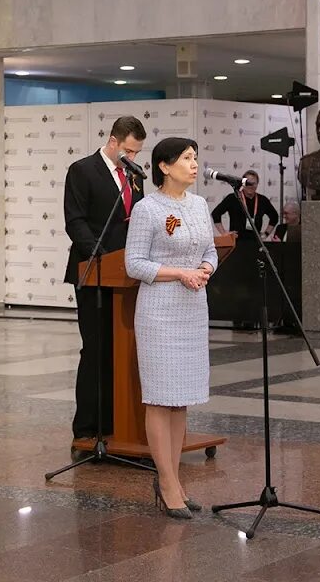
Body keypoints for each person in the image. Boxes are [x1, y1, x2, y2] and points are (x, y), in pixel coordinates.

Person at [125, 137, 217, 519]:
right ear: (164, 166)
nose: (194, 165)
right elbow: (134, 264)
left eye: (196, 158)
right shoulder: (148, 209)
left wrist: (207, 269)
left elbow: (210, 250)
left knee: (180, 399)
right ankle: (165, 483)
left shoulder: (199, 205)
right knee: (161, 397)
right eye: (186, 158)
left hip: (193, 309)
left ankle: (174, 479)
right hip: (160, 312)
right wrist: (180, 272)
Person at [63, 115, 147, 444]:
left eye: (137, 152)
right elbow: (76, 220)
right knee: (96, 349)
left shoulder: (134, 177)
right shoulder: (82, 170)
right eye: (128, 151)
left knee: (122, 351)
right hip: (94, 273)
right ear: (113, 141)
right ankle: (87, 427)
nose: (133, 158)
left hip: (127, 276)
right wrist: (99, 256)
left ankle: (118, 421)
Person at [210, 169, 278, 242]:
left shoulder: (263, 200)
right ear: (243, 183)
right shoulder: (233, 198)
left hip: (256, 242)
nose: (250, 186)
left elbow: (274, 217)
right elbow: (215, 214)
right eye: (248, 183)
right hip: (236, 241)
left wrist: (266, 234)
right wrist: (224, 233)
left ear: (257, 183)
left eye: (253, 183)